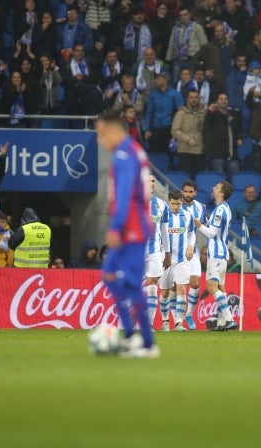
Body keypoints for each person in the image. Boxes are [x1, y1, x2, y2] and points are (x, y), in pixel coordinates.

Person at [95, 111, 158, 357]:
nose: (100, 140)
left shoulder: (123, 155)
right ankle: (132, 336)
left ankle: (147, 343)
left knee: (130, 283)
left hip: (132, 227)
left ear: (113, 130)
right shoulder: (133, 150)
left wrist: (115, 226)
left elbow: (123, 196)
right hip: (131, 224)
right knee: (110, 275)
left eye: (101, 134)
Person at [191, 180, 237, 331]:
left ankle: (229, 319)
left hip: (217, 254)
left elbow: (211, 233)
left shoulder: (219, 210)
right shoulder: (225, 209)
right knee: (220, 287)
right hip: (222, 253)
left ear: (221, 193)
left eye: (216, 187)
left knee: (211, 286)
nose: (213, 188)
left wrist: (198, 225)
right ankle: (222, 323)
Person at [160, 188, 194, 332]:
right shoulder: (163, 216)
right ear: (169, 202)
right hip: (165, 260)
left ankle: (179, 322)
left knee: (181, 288)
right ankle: (165, 321)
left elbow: (192, 232)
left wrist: (191, 246)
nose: (176, 207)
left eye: (178, 204)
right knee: (165, 292)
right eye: (173, 204)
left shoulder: (187, 215)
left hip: (182, 259)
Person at [180, 179, 206, 329]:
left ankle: (189, 314)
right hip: (176, 251)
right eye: (186, 192)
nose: (188, 194)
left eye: (191, 192)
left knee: (195, 284)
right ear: (182, 192)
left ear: (195, 193)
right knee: (175, 286)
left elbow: (201, 227)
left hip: (193, 250)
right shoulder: (175, 206)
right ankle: (174, 318)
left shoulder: (200, 208)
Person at [144, 175, 167, 328]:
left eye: (153, 180)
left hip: (154, 252)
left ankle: (149, 324)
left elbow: (164, 231)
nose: (151, 183)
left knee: (152, 285)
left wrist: (167, 252)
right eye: (148, 180)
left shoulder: (162, 205)